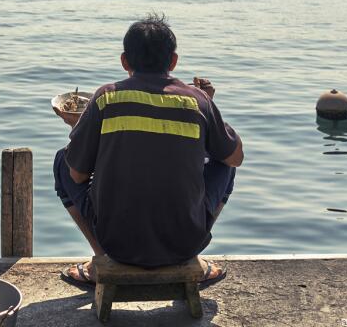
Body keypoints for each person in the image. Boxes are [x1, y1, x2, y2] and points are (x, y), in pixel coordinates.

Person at [53, 15, 243, 286]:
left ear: (124, 61)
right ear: (174, 61)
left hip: (117, 242)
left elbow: (78, 174)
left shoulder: (106, 97)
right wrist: (207, 106)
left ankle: (102, 259)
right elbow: (235, 157)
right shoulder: (197, 101)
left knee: (64, 160)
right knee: (225, 161)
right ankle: (193, 254)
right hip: (183, 243)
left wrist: (83, 132)